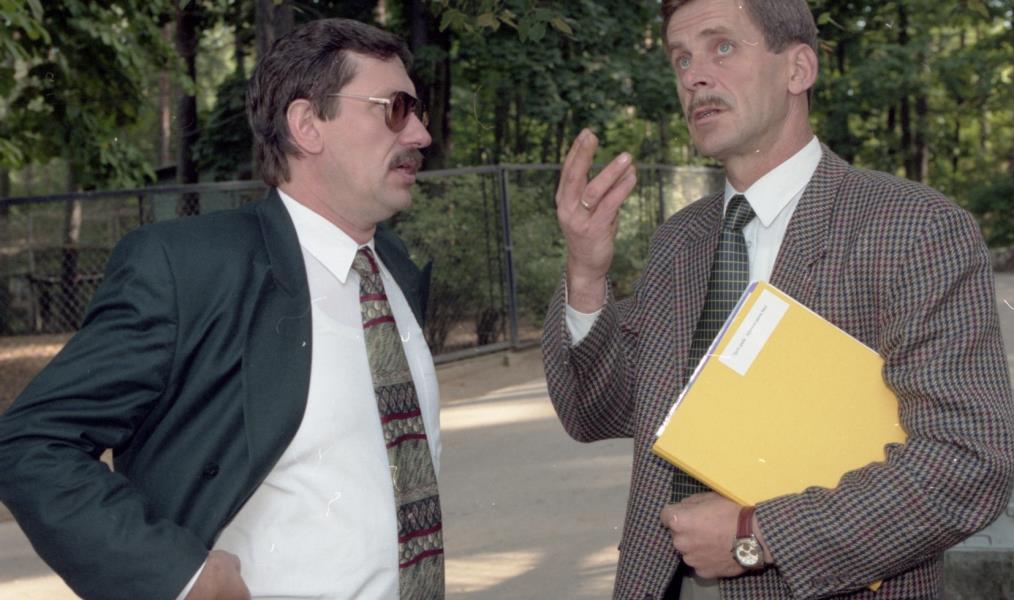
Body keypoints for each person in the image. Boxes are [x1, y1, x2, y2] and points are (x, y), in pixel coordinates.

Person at [542, 0, 1014, 598]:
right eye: (680, 58)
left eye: (721, 47)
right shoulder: (678, 242)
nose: (694, 75)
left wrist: (757, 535)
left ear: (798, 69)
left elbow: (968, 461)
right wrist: (586, 275)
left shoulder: (914, 230)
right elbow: (597, 413)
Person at [0, 18, 444, 600]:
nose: (420, 134)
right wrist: (177, 575)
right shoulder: (191, 268)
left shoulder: (395, 269)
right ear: (307, 124)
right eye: (396, 109)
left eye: (419, 112)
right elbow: (33, 441)